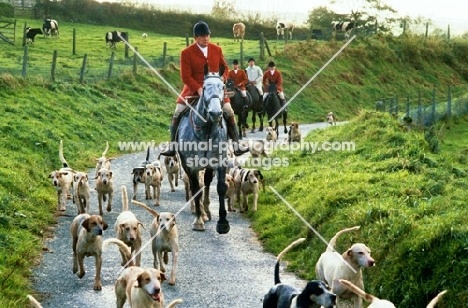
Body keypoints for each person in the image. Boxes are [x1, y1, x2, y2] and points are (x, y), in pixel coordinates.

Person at [160, 21, 247, 157]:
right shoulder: (186, 53)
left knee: (229, 110)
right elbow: (185, 76)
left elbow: (225, 69)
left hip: (216, 91)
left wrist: (221, 80)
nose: (206, 38)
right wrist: (199, 88)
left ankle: (236, 144)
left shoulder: (217, 49)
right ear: (195, 38)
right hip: (194, 91)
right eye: (202, 36)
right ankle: (172, 145)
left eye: (207, 35)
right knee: (178, 111)